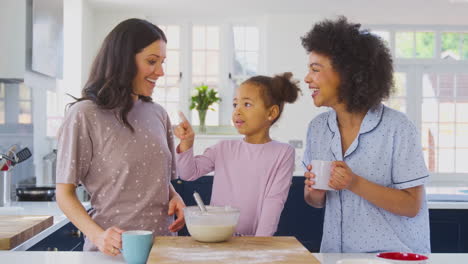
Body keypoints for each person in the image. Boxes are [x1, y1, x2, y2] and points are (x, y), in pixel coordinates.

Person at [55, 18, 185, 256]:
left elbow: (157, 179)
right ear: (124, 60)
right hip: (112, 253)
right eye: (152, 61)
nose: (161, 72)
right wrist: (98, 235)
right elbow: (64, 193)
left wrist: (174, 196)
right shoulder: (85, 114)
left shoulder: (158, 114)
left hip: (164, 251)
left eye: (162, 62)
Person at [301, 16, 430, 253]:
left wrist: (354, 183)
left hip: (393, 257)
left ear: (347, 73)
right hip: (335, 256)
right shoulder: (317, 129)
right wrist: (314, 193)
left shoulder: (397, 128)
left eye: (315, 69)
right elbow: (315, 201)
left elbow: (412, 205)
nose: (307, 78)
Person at [174, 73, 300, 236]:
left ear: (271, 113)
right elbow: (188, 173)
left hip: (253, 243)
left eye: (247, 104)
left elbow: (274, 202)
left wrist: (259, 245)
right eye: (235, 104)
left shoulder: (283, 153)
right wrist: (187, 143)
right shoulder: (223, 148)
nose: (237, 111)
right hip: (216, 237)